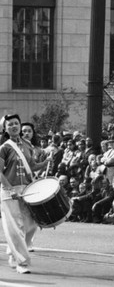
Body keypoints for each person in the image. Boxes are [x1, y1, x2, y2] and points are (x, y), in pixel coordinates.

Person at [0, 114, 50, 274]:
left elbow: (32, 167)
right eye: (10, 125)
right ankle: (21, 261)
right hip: (10, 191)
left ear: (20, 126)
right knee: (15, 227)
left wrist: (45, 163)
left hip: (27, 189)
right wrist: (9, 188)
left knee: (32, 224)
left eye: (16, 123)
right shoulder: (4, 148)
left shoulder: (28, 146)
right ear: (5, 129)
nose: (14, 126)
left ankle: (12, 251)